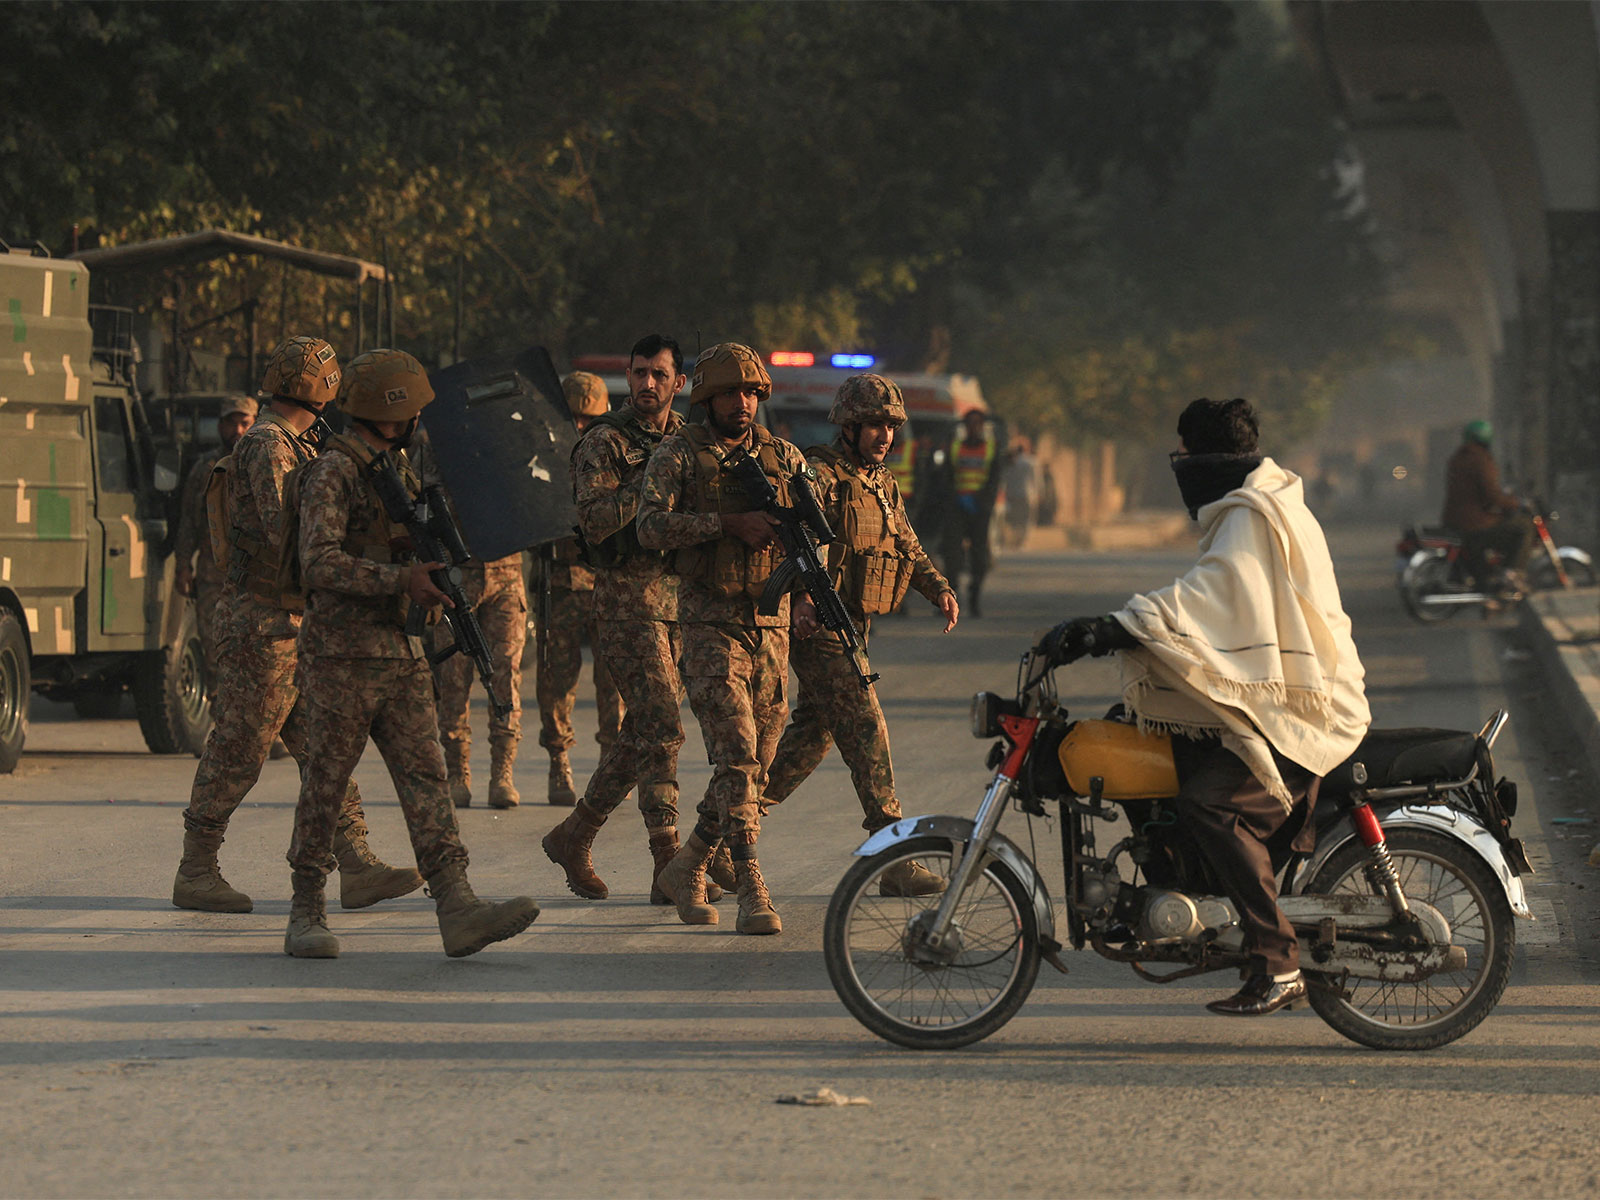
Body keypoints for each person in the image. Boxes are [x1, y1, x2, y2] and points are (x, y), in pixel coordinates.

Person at [1042, 397, 1370, 1016]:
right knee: (1144, 740)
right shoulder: (1259, 504)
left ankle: (1277, 960)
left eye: (1188, 454)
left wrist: (1117, 626)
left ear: (1209, 459)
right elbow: (1225, 613)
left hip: (1303, 714)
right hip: (1289, 701)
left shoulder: (1253, 517)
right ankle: (1209, 902)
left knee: (1209, 802)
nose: (1183, 467)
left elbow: (1210, 599)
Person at [283, 348, 539, 958]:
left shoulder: (394, 470)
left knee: (427, 779)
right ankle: (305, 910)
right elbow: (318, 563)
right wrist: (400, 580)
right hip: (341, 658)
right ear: (393, 411)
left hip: (399, 653)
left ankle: (457, 905)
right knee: (326, 785)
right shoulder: (334, 472)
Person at [171, 337, 420, 916]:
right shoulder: (269, 446)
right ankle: (196, 868)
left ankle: (355, 864)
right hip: (265, 626)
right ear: (326, 387)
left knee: (324, 747)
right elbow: (293, 531)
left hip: (293, 623)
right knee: (241, 746)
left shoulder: (297, 443)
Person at [543, 334, 735, 904]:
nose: (647, 384)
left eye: (659, 374)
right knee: (663, 730)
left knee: (642, 732)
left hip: (687, 603)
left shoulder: (691, 442)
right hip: (629, 603)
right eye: (639, 373)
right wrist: (653, 479)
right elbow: (596, 521)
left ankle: (574, 834)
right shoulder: (604, 443)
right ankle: (666, 864)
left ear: (680, 383)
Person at [637, 341, 810, 935]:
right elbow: (649, 526)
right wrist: (725, 524)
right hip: (709, 624)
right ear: (707, 398)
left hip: (772, 627)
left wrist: (809, 593)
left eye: (752, 392)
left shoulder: (783, 457)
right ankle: (751, 885)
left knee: (756, 764)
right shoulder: (679, 455)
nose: (743, 403)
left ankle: (687, 864)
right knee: (735, 755)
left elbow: (811, 542)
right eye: (731, 393)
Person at [762, 374, 958, 896]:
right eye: (875, 425)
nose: (885, 436)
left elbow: (907, 544)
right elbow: (797, 541)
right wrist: (803, 597)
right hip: (820, 622)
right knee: (868, 726)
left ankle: (717, 835)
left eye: (891, 426)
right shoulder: (821, 475)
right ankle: (894, 854)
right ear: (848, 427)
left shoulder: (881, 482)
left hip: (855, 623)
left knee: (810, 739)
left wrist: (936, 587)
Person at [412, 431, 528, 810]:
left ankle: (502, 774)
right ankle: (458, 773)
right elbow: (425, 499)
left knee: (507, 672)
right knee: (454, 677)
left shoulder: (513, 434)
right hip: (456, 573)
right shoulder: (440, 440)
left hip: (506, 572)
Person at [532, 371, 623, 805]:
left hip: (607, 583)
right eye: (575, 419)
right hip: (560, 582)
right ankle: (558, 763)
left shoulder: (619, 456)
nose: (582, 428)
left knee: (614, 681)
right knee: (556, 679)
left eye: (590, 419)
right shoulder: (540, 461)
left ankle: (612, 766)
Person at [173, 393, 257, 694]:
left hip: (258, 582)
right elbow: (189, 521)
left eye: (244, 423)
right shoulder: (206, 469)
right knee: (216, 655)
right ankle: (222, 729)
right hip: (213, 581)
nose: (237, 431)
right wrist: (183, 567)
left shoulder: (263, 465)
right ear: (220, 426)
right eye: (231, 424)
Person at [1441, 419, 1535, 590]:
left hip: (1455, 521)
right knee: (1524, 527)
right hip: (1474, 525)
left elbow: (1474, 494)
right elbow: (1493, 497)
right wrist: (1515, 503)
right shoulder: (1481, 460)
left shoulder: (1458, 458)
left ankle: (1492, 576)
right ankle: (1511, 574)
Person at [942, 407, 1001, 616]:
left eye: (978, 424)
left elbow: (994, 481)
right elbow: (947, 477)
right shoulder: (955, 448)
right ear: (965, 427)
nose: (974, 428)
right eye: (970, 424)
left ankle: (974, 599)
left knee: (979, 556)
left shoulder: (992, 449)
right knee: (952, 555)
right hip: (957, 508)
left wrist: (981, 502)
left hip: (980, 509)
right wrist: (955, 499)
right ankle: (950, 599)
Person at [1001, 435, 1037, 549]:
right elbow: (1036, 480)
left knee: (1013, 518)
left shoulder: (1011, 463)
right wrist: (1039, 493)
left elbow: (1004, 478)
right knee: (1025, 520)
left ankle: (1012, 540)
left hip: (1011, 494)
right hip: (1027, 494)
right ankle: (1021, 542)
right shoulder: (1031, 462)